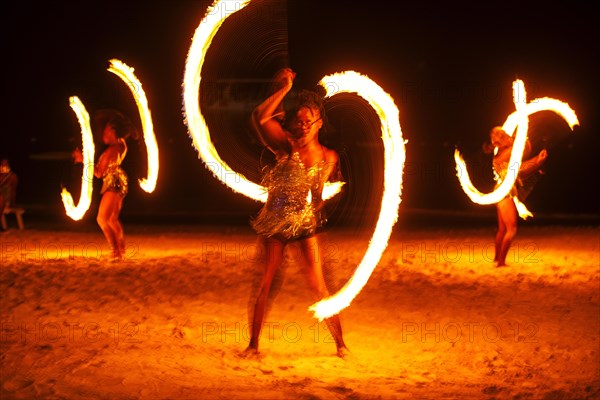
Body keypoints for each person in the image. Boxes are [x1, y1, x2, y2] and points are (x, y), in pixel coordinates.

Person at [245, 68, 350, 358]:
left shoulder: (329, 157)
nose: (302, 126)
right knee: (266, 282)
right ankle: (253, 346)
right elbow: (260, 117)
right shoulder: (285, 145)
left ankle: (341, 345)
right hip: (274, 222)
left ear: (318, 124)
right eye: (299, 121)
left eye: (308, 121)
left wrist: (316, 208)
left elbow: (318, 193)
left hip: (304, 224)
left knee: (319, 285)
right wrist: (283, 89)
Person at [75, 109, 138, 261]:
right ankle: (120, 249)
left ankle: (115, 251)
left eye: (108, 129)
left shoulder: (111, 151)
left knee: (102, 219)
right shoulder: (122, 145)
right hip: (121, 181)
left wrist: (83, 159)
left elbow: (98, 173)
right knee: (112, 219)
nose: (104, 131)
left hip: (113, 181)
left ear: (115, 132)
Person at [487, 126, 547, 267]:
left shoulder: (499, 154)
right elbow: (523, 160)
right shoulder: (508, 153)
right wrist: (538, 160)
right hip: (505, 192)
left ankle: (497, 259)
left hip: (501, 190)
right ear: (503, 139)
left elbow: (519, 169)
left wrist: (537, 162)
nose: (511, 137)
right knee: (511, 229)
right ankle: (501, 262)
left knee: (502, 229)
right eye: (507, 136)